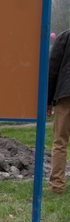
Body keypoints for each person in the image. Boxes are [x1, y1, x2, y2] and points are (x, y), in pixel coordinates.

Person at [48, 29, 70, 194]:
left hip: (65, 95)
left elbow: (53, 68)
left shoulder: (65, 37)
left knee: (60, 142)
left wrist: (48, 100)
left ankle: (57, 185)